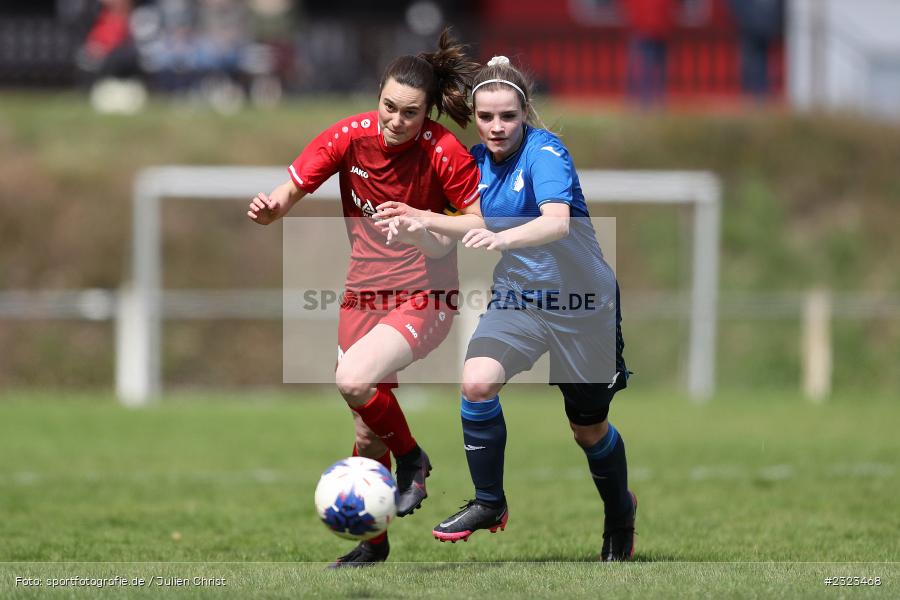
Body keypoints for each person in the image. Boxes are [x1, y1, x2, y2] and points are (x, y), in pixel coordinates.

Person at [380, 56, 636, 561]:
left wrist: (502, 237)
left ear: (525, 113)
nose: (496, 126)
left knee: (587, 430)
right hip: (519, 299)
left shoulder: (547, 152)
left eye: (508, 116)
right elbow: (448, 237)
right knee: (477, 382)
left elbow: (556, 222)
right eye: (486, 116)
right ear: (475, 117)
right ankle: (490, 502)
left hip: (582, 307)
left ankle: (619, 512)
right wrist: (417, 227)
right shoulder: (473, 164)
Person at [247, 29, 483, 567]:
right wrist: (272, 208)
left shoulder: (443, 152)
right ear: (378, 94)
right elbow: (291, 187)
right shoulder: (350, 137)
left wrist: (423, 223)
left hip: (426, 294)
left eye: (410, 113)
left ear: (428, 113)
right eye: (389, 106)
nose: (396, 120)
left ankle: (413, 460)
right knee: (366, 429)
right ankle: (373, 544)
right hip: (362, 295)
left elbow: (478, 221)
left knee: (353, 379)